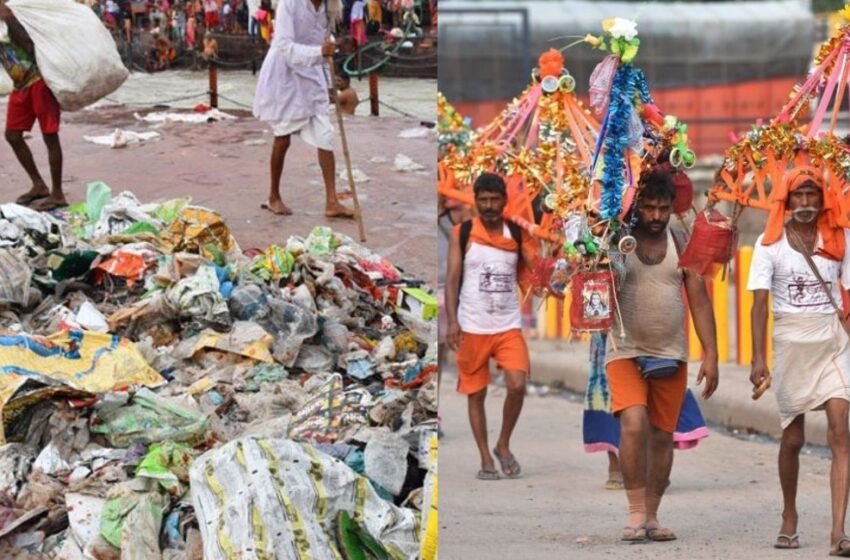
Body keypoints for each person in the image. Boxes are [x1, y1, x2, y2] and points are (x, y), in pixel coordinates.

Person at [606, 170, 718, 542]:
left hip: (671, 353)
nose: (656, 216)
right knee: (634, 424)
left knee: (662, 436)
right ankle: (635, 512)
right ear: (637, 207)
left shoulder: (682, 241)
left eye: (663, 208)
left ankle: (652, 516)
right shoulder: (615, 240)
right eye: (649, 208)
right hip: (624, 350)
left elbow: (700, 302)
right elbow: (588, 281)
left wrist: (712, 354)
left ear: (672, 208)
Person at [748, 166, 850, 556]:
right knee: (793, 438)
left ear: (824, 199)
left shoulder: (840, 239)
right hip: (790, 342)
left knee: (841, 429)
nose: (806, 204)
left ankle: (838, 532)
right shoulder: (768, 244)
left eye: (813, 196)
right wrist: (758, 359)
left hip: (831, 341)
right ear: (786, 202)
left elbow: (848, 294)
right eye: (799, 196)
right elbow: (759, 304)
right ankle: (789, 515)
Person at [445, 172, 537, 481]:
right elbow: (452, 278)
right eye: (482, 200)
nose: (488, 205)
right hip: (472, 325)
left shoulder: (517, 233)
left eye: (494, 199)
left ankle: (503, 444)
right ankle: (485, 456)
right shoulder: (462, 232)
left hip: (508, 325)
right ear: (476, 201)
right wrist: (452, 321)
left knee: (517, 384)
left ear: (504, 201)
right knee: (476, 393)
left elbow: (535, 270)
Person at [252, 0, 354, 219]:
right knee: (283, 137)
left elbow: (323, 45)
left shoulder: (330, 7)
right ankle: (273, 196)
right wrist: (319, 52)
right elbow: (286, 47)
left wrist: (328, 79)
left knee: (325, 135)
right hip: (285, 75)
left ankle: (331, 201)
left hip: (312, 74)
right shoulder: (288, 4)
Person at [0, 3, 66, 211]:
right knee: (12, 135)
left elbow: (32, 45)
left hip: (39, 81)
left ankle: (57, 192)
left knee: (49, 135)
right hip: (20, 86)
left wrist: (10, 19)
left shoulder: (14, 18)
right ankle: (39, 185)